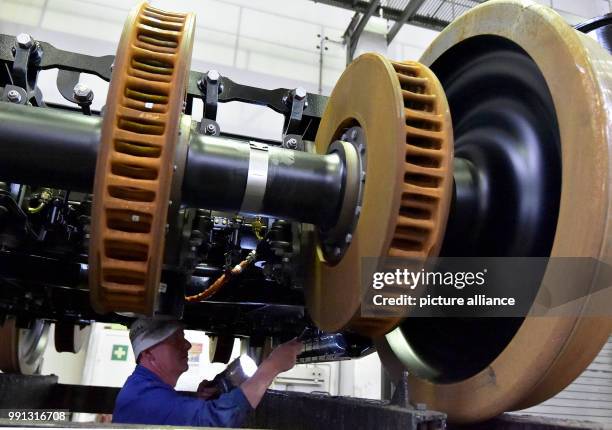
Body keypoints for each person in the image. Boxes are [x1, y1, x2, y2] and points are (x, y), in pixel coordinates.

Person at [112, 318, 303, 427]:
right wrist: (272, 367)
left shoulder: (141, 390)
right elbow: (216, 420)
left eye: (183, 337)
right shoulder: (144, 399)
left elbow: (168, 415)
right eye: (175, 340)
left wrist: (197, 401)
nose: (187, 345)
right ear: (149, 354)